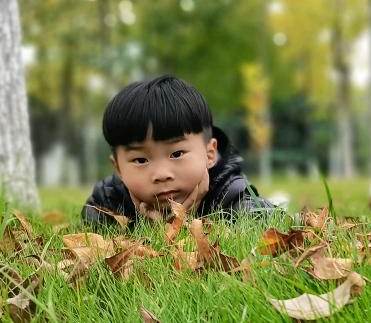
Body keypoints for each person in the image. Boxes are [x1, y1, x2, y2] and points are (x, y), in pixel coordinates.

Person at [82, 75, 272, 226]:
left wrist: (187, 226)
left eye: (177, 154)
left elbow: (271, 222)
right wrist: (147, 229)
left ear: (209, 154)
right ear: (118, 169)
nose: (161, 175)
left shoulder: (229, 195)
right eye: (141, 160)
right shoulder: (111, 198)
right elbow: (91, 220)